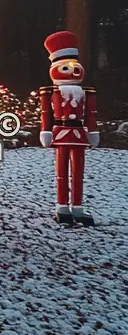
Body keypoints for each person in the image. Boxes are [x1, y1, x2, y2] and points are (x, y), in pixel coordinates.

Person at [39, 31, 98, 226]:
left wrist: (92, 131)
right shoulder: (51, 91)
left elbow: (90, 114)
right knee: (61, 173)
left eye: (75, 67)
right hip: (61, 133)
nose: (72, 71)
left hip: (78, 134)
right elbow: (46, 112)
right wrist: (46, 130)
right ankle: (62, 206)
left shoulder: (86, 92)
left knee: (79, 173)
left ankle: (78, 207)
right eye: (66, 67)